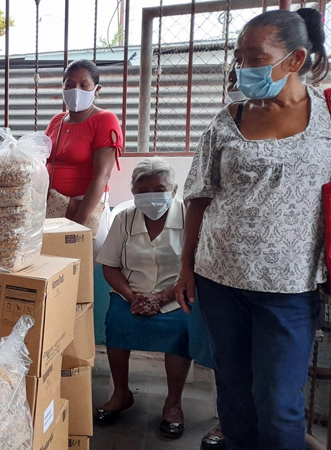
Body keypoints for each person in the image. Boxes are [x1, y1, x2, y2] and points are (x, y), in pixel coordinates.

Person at [175, 9, 331, 450]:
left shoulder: (327, 119)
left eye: (255, 57)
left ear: (295, 59)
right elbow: (199, 197)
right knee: (235, 395)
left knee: (279, 403)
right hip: (219, 280)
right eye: (240, 56)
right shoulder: (228, 121)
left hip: (289, 289)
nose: (244, 67)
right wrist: (186, 267)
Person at [94, 158, 191, 439]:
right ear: (134, 193)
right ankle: (121, 394)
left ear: (172, 190)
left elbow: (195, 267)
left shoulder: (187, 216)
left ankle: (173, 404)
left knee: (180, 330)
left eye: (158, 188)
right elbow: (110, 265)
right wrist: (131, 295)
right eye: (143, 189)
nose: (151, 195)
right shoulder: (124, 217)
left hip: (177, 295)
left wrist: (161, 298)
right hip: (131, 295)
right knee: (116, 323)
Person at [45, 59, 123, 256]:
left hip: (83, 210)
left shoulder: (105, 120)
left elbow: (102, 176)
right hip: (53, 208)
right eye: (69, 85)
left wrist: (75, 226)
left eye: (83, 85)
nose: (75, 90)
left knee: (79, 271)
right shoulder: (57, 121)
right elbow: (44, 161)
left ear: (96, 89)